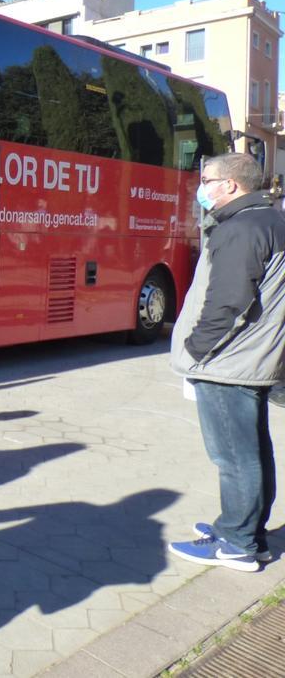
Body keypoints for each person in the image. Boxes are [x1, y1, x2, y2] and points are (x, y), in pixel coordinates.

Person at [168, 152, 285, 572]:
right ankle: (248, 532)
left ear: (231, 185)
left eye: (207, 180)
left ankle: (237, 544)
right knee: (253, 450)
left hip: (227, 361)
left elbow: (230, 301)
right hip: (250, 359)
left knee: (233, 456)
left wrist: (195, 351)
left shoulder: (242, 229)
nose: (201, 187)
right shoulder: (270, 221)